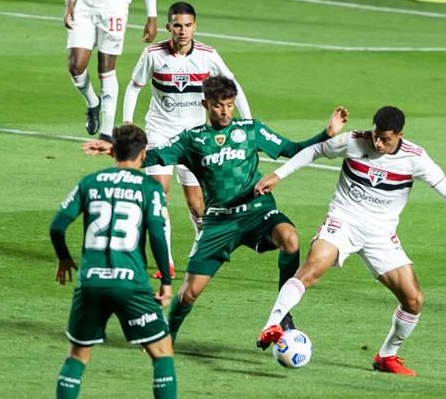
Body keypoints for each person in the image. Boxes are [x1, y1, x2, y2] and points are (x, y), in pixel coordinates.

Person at [83, 76, 349, 341]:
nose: (225, 111)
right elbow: (152, 157)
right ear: (205, 104)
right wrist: (114, 150)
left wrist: (327, 134)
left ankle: (282, 315)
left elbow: (293, 149)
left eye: (230, 105)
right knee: (189, 292)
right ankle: (167, 335)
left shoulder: (250, 130)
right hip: (219, 222)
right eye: (219, 105)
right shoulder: (192, 139)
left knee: (290, 238)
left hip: (257, 212)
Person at [253, 106, 446, 376]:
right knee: (312, 268)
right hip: (343, 221)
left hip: (381, 234)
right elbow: (315, 150)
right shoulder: (354, 140)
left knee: (413, 300)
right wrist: (278, 174)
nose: (377, 142)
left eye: (385, 139)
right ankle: (272, 324)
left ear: (399, 135)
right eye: (376, 135)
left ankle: (387, 356)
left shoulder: (415, 158)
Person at [119, 1, 253, 280]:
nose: (183, 31)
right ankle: (165, 262)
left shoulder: (207, 55)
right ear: (168, 27)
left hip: (194, 138)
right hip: (160, 133)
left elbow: (234, 85)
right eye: (177, 25)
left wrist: (247, 121)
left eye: (188, 25)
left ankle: (202, 255)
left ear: (195, 26)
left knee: (197, 205)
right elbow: (134, 86)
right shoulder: (153, 54)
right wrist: (128, 122)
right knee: (158, 195)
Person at [50, 124, 177, 398]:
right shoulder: (150, 188)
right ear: (143, 154)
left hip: (91, 282)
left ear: (114, 151)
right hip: (130, 284)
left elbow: (57, 227)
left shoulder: (90, 182)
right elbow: (157, 233)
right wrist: (166, 281)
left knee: (78, 355)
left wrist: (63, 258)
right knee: (163, 351)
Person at [64, 0, 157, 136]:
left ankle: (107, 132)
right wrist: (69, 4)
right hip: (84, 7)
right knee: (76, 68)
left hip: (115, 8)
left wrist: (152, 16)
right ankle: (93, 102)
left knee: (106, 66)